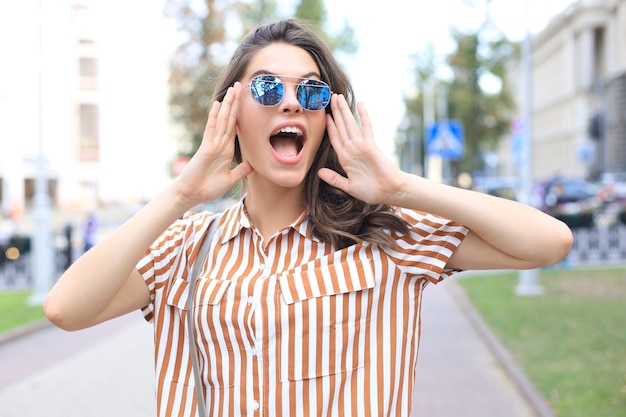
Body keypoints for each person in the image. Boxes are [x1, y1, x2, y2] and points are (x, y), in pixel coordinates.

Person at [44, 19, 573, 417]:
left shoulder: (382, 237)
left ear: (327, 115)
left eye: (312, 90)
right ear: (230, 112)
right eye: (269, 88)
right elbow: (65, 309)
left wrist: (399, 187)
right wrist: (183, 193)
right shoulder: (187, 245)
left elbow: (548, 243)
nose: (292, 102)